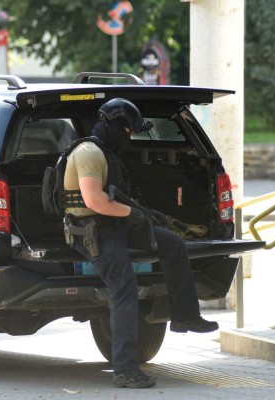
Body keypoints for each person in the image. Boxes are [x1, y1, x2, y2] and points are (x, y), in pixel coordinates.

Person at [63, 98, 219, 388]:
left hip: (115, 224)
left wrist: (139, 215)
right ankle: (125, 371)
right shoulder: (88, 152)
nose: (129, 136)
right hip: (93, 230)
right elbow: (94, 201)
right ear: (112, 125)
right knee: (124, 290)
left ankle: (185, 316)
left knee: (173, 244)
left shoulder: (107, 151)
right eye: (127, 130)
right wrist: (132, 213)